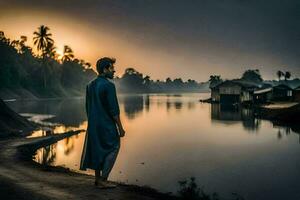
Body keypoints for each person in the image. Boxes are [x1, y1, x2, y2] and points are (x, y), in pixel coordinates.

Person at [80, 57, 125, 188]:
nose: (114, 71)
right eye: (111, 68)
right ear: (105, 69)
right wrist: (120, 128)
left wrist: (92, 122)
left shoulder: (90, 85)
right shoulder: (109, 85)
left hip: (93, 124)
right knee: (114, 146)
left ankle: (98, 179)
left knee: (98, 150)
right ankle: (103, 179)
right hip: (106, 125)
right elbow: (114, 110)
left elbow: (87, 106)